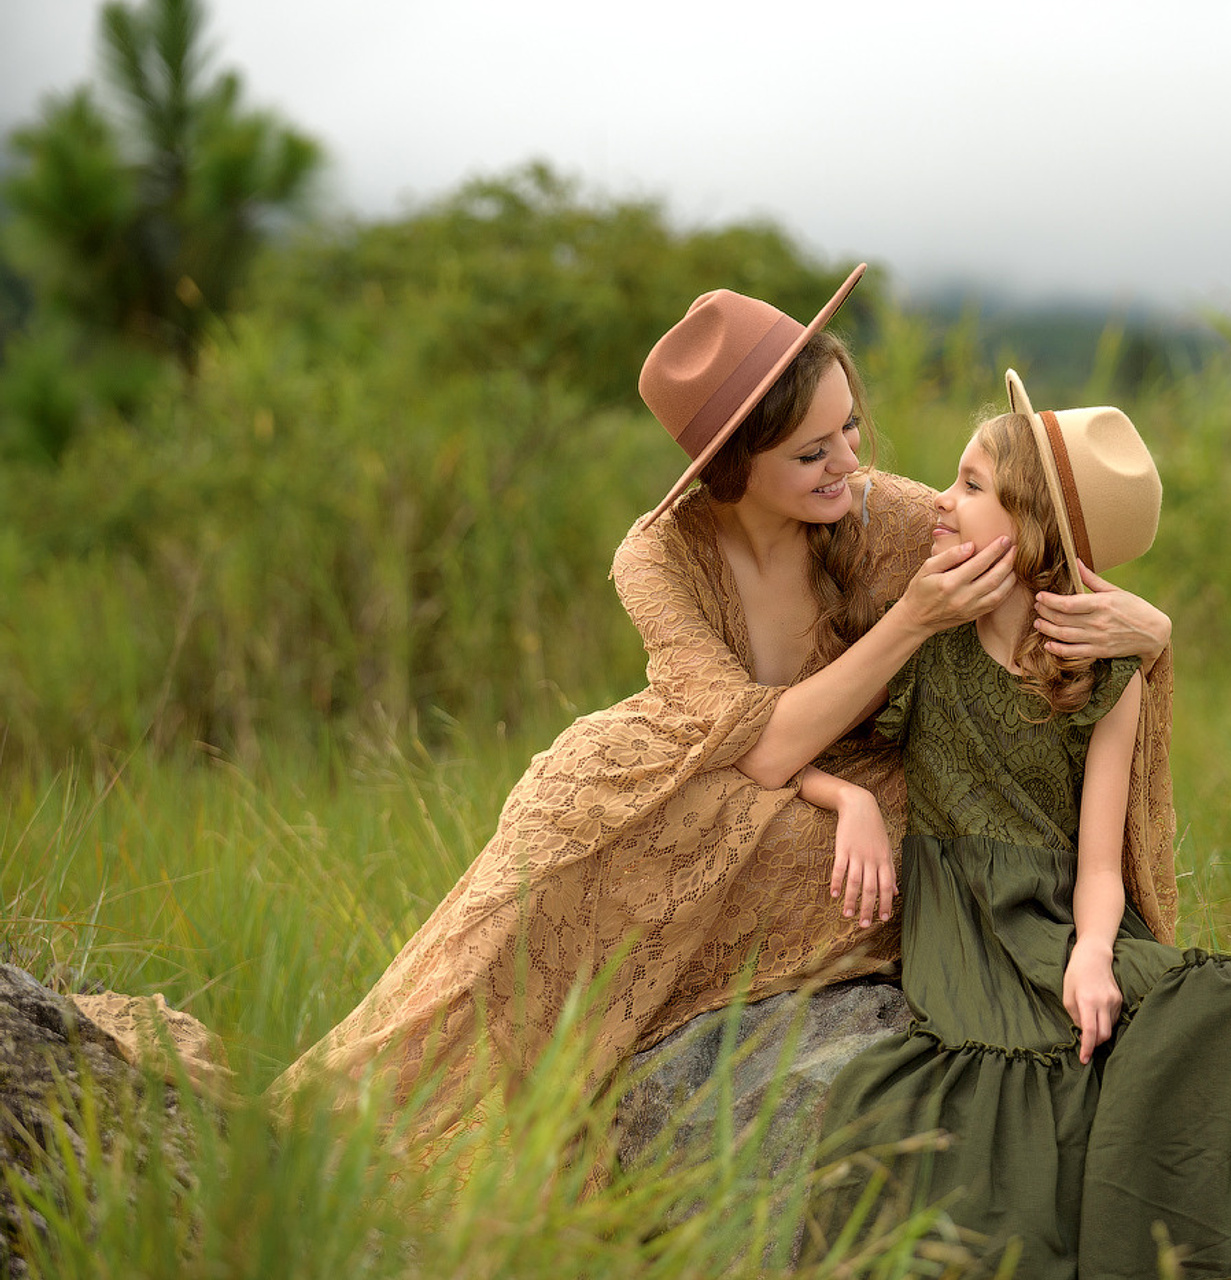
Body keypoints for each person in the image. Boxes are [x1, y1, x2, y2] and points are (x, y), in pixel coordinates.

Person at [273, 266, 1175, 1142]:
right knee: (563, 844)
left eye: (850, 428)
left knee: (814, 840)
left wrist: (1151, 629)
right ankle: (372, 1105)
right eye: (812, 453)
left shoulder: (887, 516)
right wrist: (906, 631)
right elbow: (757, 748)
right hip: (715, 763)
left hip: (861, 783)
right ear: (734, 465)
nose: (849, 462)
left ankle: (599, 1068)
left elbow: (1043, 553)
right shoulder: (658, 557)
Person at [811, 373, 1231, 1280]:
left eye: (972, 485)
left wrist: (1093, 952)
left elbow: (1098, 865)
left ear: (1033, 529)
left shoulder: (1106, 678)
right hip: (971, 922)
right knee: (1001, 1095)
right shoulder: (925, 641)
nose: (941, 499)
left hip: (1065, 909)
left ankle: (1146, 1253)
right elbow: (796, 738)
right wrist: (843, 798)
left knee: (1228, 1006)